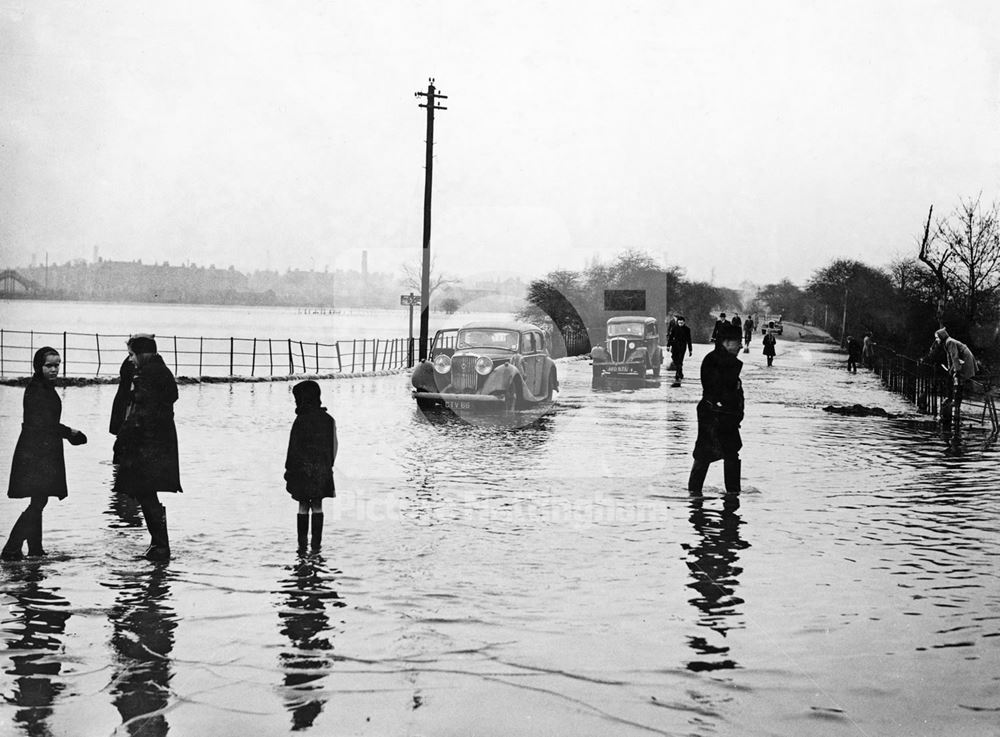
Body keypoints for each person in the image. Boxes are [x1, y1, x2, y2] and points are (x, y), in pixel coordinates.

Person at [2, 347, 87, 561]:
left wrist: (67, 433)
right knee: (38, 501)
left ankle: (35, 550)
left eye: (57, 365)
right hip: (36, 451)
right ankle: (12, 548)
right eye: (49, 365)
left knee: (38, 499)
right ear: (39, 366)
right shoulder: (37, 389)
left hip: (42, 449)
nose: (54, 369)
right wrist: (70, 433)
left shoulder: (44, 387)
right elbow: (42, 424)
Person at [113, 335, 182, 561]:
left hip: (145, 443)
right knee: (147, 492)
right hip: (160, 443)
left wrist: (123, 437)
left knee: (144, 491)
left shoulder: (146, 376)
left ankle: (160, 546)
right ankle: (158, 544)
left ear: (141, 354)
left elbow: (141, 412)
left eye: (132, 355)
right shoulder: (161, 372)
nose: (130, 360)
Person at [688, 323, 744, 510]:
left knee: (731, 455)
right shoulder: (713, 361)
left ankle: (732, 495)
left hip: (726, 417)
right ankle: (694, 497)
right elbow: (716, 391)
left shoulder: (726, 361)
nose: (740, 347)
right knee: (703, 455)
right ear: (726, 343)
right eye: (738, 342)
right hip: (712, 416)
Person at [285, 380, 338, 553]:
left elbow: (292, 450)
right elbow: (334, 445)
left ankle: (301, 547)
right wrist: (328, 465)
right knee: (317, 506)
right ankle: (316, 547)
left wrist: (289, 472)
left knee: (302, 506)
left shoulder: (300, 420)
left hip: (302, 471)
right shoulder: (329, 420)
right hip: (322, 471)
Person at [933, 327, 977, 427]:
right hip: (961, 360)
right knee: (952, 377)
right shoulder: (946, 343)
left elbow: (955, 356)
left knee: (958, 378)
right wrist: (950, 369)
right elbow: (950, 358)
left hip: (965, 359)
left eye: (937, 338)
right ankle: (953, 399)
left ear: (942, 337)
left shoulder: (950, 342)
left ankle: (955, 400)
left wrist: (956, 370)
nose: (936, 340)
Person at [666, 314, 693, 384]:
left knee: (680, 360)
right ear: (677, 322)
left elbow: (689, 340)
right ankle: (680, 372)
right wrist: (668, 346)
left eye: (682, 323)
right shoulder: (674, 328)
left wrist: (690, 350)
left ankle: (678, 374)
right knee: (675, 359)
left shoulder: (687, 329)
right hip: (675, 346)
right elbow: (671, 337)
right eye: (679, 323)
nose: (680, 324)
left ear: (684, 322)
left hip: (682, 346)